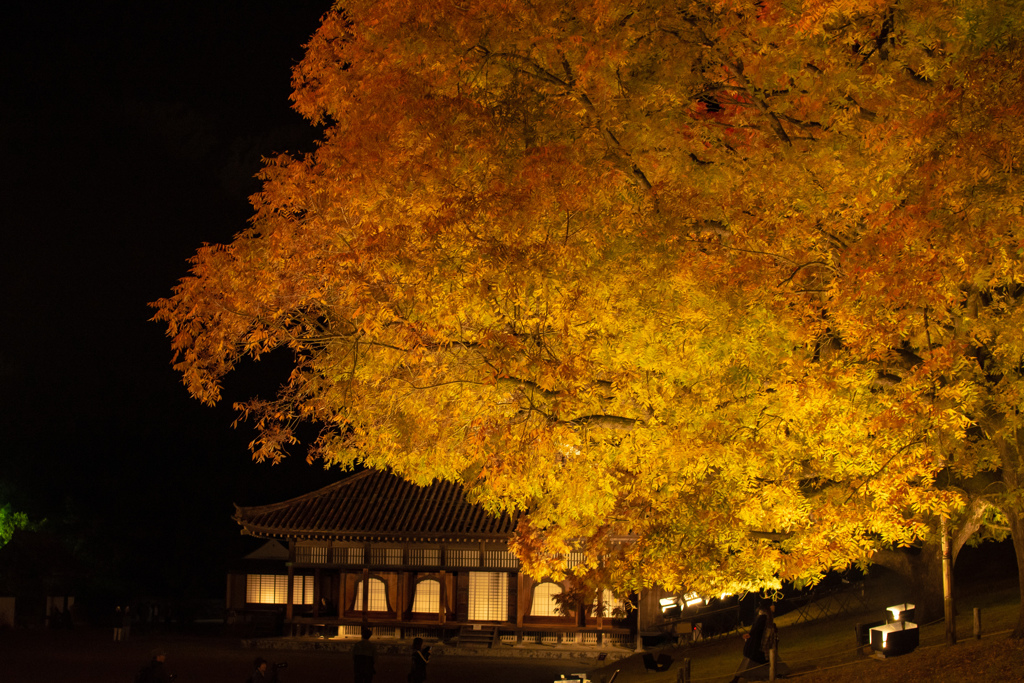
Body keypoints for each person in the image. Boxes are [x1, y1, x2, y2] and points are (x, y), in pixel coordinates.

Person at [728, 600, 776, 683]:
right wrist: (750, 635)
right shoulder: (764, 616)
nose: (774, 606)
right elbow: (757, 629)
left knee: (768, 660)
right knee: (747, 662)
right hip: (758, 645)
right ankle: (736, 679)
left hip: (763, 644)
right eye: (772, 605)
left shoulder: (766, 615)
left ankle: (775, 674)